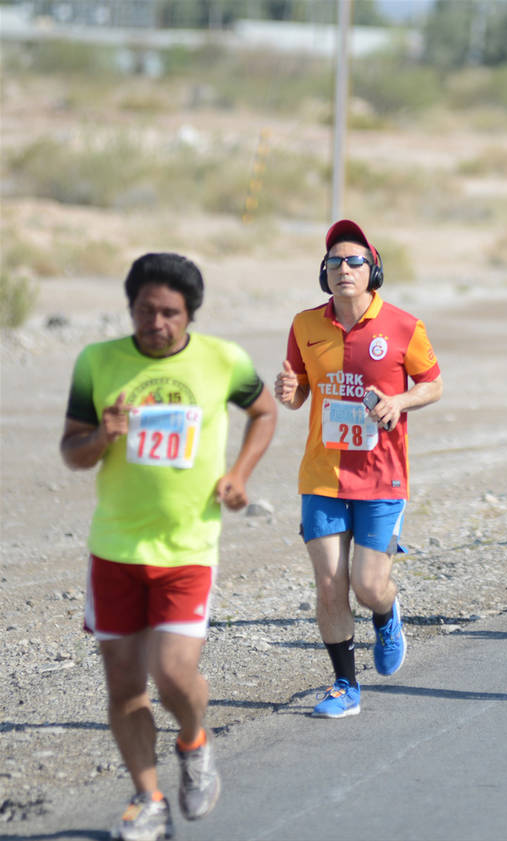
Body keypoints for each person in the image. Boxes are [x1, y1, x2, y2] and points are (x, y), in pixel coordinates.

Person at [61, 253, 277, 841]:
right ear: (129, 308)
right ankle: (149, 799)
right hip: (114, 548)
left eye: (169, 313)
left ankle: (194, 742)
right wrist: (102, 436)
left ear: (190, 314)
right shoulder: (97, 361)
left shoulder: (222, 359)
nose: (156, 323)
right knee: (124, 685)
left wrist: (239, 476)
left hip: (188, 546)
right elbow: (70, 452)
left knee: (173, 672)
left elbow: (263, 411)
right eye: (144, 311)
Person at [275, 220, 443, 718]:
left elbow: (433, 384)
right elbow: (300, 387)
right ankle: (344, 685)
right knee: (329, 583)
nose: (343, 269)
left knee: (368, 585)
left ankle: (387, 615)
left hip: (381, 475)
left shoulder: (403, 326)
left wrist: (400, 400)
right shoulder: (305, 325)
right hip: (322, 475)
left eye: (354, 261)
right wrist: (291, 394)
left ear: (374, 271)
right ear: (322, 273)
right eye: (333, 262)